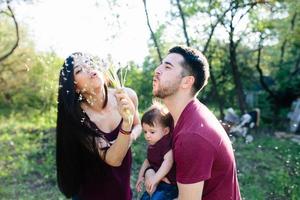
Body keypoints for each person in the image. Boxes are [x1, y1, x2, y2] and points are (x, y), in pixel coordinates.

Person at [147, 46, 241, 200]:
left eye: (167, 67)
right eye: (161, 64)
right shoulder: (178, 117)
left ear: (187, 82)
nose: (157, 70)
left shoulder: (192, 135)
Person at [56, 52, 142, 200]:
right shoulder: (77, 117)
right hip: (90, 195)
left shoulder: (127, 95)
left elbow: (137, 125)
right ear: (75, 87)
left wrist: (131, 136)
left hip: (122, 191)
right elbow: (113, 159)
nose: (88, 68)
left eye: (89, 62)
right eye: (79, 70)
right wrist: (126, 123)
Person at [135, 103, 178, 200]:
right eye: (145, 132)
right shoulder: (153, 144)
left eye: (152, 132)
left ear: (165, 131)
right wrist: (140, 177)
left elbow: (168, 161)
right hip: (157, 183)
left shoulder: (165, 143)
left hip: (168, 186)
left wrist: (155, 178)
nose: (147, 136)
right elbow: (147, 161)